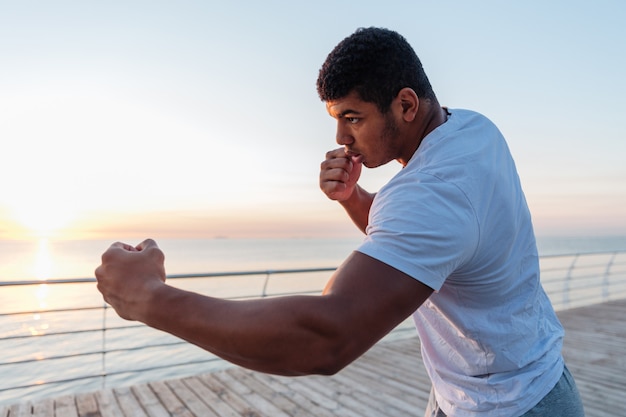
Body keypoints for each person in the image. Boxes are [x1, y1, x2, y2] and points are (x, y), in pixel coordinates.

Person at [95, 27, 584, 416]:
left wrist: (146, 298)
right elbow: (425, 242)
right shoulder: (472, 129)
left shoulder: (432, 192)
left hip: (509, 405)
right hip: (512, 377)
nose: (340, 137)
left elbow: (325, 337)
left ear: (406, 105)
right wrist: (354, 200)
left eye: (352, 117)